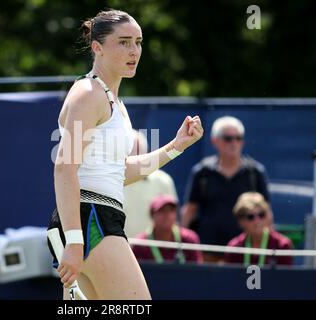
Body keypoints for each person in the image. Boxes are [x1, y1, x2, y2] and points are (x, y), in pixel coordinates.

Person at [47, 9, 203, 300]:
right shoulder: (88, 93)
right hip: (89, 220)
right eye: (123, 42)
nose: (134, 51)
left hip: (94, 219)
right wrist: (75, 240)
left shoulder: (113, 101)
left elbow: (120, 173)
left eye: (139, 42)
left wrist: (176, 146)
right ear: (97, 48)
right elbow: (64, 168)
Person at [181, 116, 270, 263]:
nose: (234, 143)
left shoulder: (255, 172)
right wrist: (181, 245)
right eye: (228, 138)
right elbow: (189, 210)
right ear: (214, 141)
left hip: (244, 254)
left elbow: (266, 214)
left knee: (248, 287)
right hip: (208, 252)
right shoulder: (202, 173)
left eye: (238, 138)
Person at [123, 130, 179, 237]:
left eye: (140, 151)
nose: (136, 156)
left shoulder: (163, 180)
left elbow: (173, 219)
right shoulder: (112, 180)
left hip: (152, 250)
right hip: (118, 247)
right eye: (131, 151)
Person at [225, 192, 293, 266]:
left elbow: (285, 277)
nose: (257, 221)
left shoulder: (282, 246)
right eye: (250, 217)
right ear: (241, 221)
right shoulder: (234, 248)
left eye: (261, 215)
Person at [132, 195, 203, 264]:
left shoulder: (190, 239)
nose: (167, 215)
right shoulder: (139, 244)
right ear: (152, 215)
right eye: (161, 210)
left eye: (171, 210)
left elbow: (198, 272)